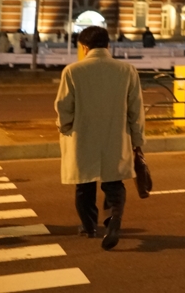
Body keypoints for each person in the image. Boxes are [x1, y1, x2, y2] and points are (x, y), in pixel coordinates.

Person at [54, 26, 144, 251]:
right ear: (108, 45)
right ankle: (114, 219)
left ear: (84, 47)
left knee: (84, 185)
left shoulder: (73, 71)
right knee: (114, 183)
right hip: (115, 136)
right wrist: (137, 141)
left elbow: (64, 107)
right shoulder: (127, 70)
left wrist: (64, 127)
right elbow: (136, 111)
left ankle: (89, 226)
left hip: (82, 137)